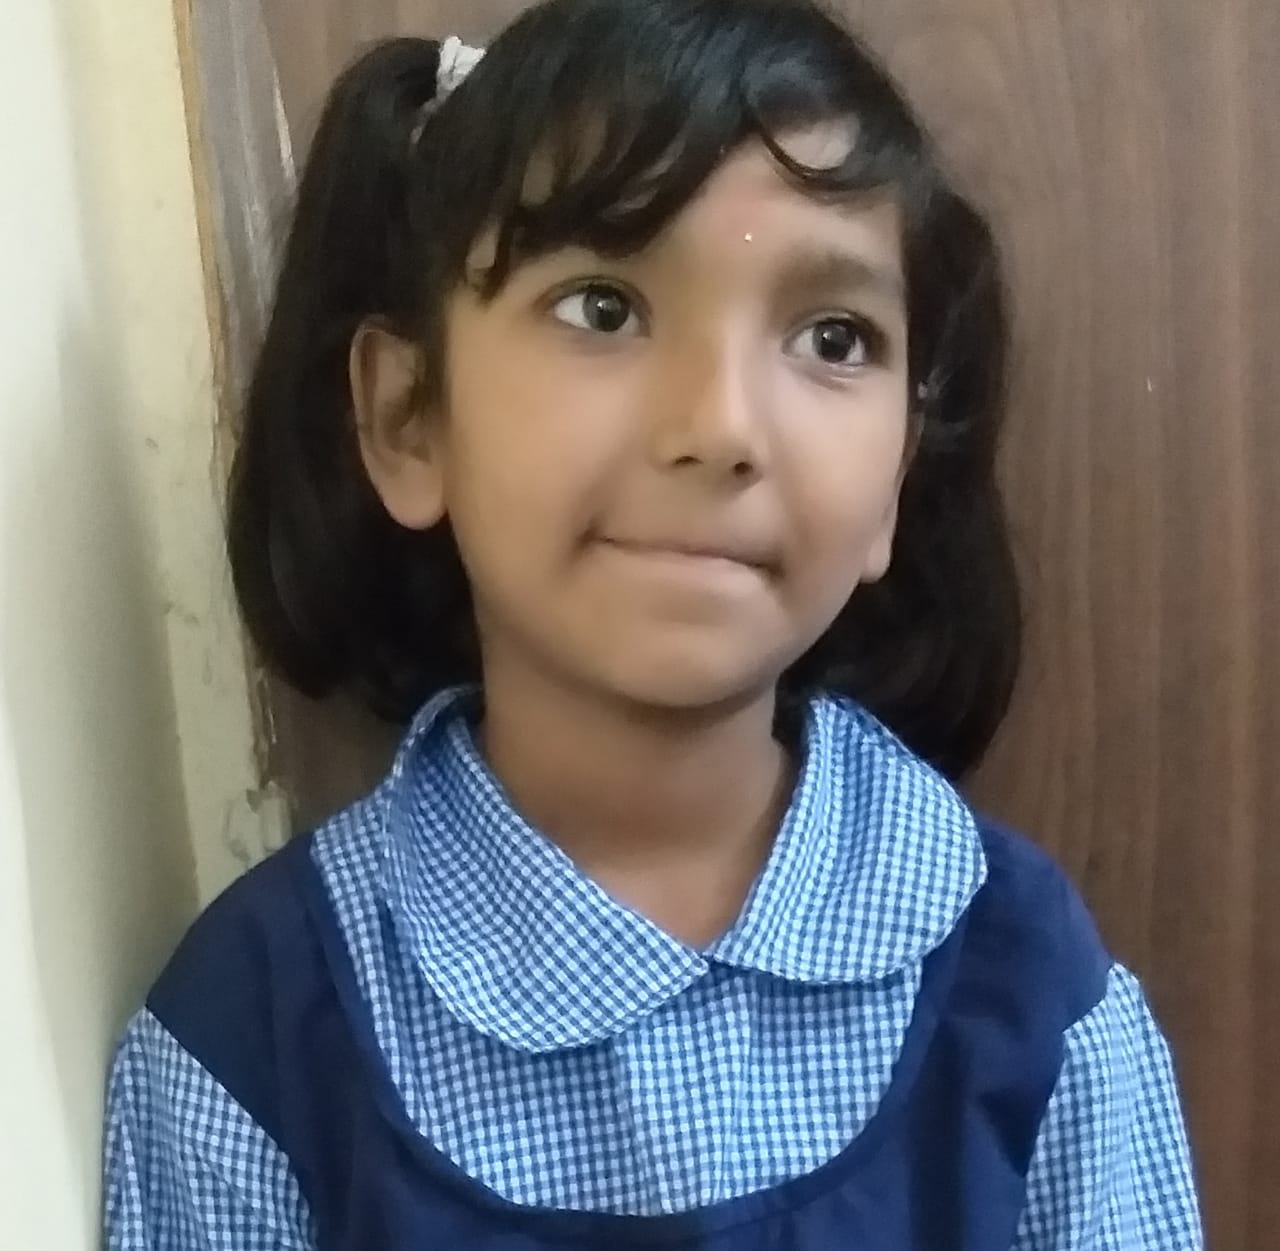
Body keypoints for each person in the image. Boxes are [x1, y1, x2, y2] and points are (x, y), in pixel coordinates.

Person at [103, 1, 1203, 1246]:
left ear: (898, 473)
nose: (720, 425)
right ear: (408, 416)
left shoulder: (1032, 991)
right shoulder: (247, 1046)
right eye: (601, 307)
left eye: (831, 336)